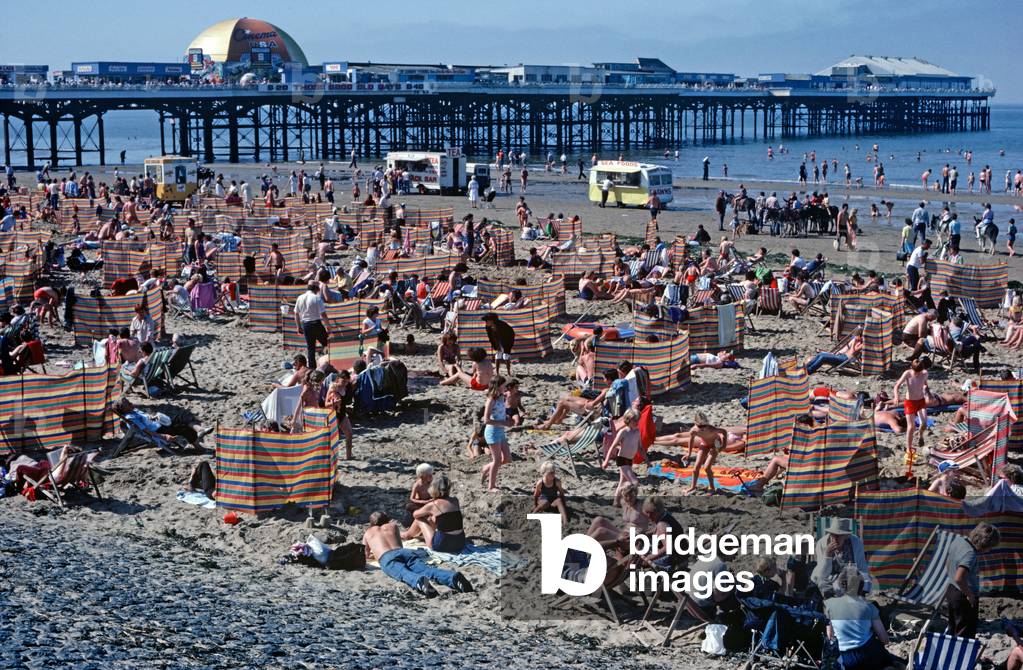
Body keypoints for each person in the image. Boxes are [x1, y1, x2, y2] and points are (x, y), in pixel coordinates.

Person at [363, 512, 473, 598]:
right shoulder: (392, 526)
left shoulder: (368, 532)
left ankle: (419, 582)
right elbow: (398, 545)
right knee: (427, 570)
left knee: (403, 573)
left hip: (387, 557)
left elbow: (365, 554)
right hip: (404, 552)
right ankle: (453, 577)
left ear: (371, 524)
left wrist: (375, 553)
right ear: (386, 520)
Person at [825, 566, 895, 670]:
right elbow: (884, 639)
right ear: (861, 585)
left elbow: (830, 635)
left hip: (846, 659)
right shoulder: (869, 607)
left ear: (841, 585)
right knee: (888, 662)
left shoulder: (830, 605)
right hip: (868, 655)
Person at [943, 523, 1001, 638]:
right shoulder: (970, 554)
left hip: (951, 590)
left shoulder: (959, 541)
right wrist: (970, 595)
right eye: (990, 547)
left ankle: (951, 654)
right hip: (962, 596)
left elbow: (948, 563)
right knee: (964, 633)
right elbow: (959, 578)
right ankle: (961, 656)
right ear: (985, 543)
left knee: (953, 628)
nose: (989, 550)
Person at [401, 473, 465, 554]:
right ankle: (411, 534)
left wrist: (426, 507)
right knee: (435, 518)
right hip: (460, 543)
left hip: (442, 545)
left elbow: (415, 515)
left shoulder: (434, 504)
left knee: (419, 519)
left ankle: (407, 535)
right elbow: (447, 518)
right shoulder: (455, 500)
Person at [811, 517, 872, 598]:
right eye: (832, 535)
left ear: (846, 535)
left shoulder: (856, 543)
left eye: (839, 536)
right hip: (829, 578)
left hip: (849, 577)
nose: (835, 538)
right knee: (822, 584)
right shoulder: (822, 543)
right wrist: (827, 556)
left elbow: (862, 567)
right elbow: (822, 575)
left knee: (866, 583)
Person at [602, 409, 646, 505]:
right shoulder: (623, 432)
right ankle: (633, 502)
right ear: (628, 420)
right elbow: (612, 447)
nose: (636, 422)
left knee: (622, 482)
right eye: (634, 420)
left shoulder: (637, 432)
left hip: (630, 460)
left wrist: (647, 460)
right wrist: (606, 461)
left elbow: (640, 448)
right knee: (634, 482)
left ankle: (616, 502)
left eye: (638, 420)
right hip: (622, 459)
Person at [893, 357, 932, 459]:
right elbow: (896, 385)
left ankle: (920, 435)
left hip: (921, 400)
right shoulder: (907, 373)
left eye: (919, 372)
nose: (917, 374)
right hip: (910, 402)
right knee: (911, 427)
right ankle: (908, 449)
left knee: (924, 422)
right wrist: (896, 396)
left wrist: (927, 392)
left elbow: (925, 385)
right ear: (912, 368)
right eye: (916, 372)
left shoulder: (924, 373)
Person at [480, 376, 511, 492]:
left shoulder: (502, 397)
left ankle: (487, 467)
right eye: (503, 385)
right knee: (497, 460)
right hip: (492, 431)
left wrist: (507, 419)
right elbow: (486, 420)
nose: (505, 387)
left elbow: (502, 412)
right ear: (498, 386)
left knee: (507, 458)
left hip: (501, 430)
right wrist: (502, 422)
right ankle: (491, 486)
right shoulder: (491, 400)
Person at [684, 411, 727, 494]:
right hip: (704, 444)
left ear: (707, 424)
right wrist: (688, 453)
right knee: (696, 467)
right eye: (700, 426)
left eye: (704, 426)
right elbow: (691, 440)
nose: (702, 428)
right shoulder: (693, 431)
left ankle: (712, 486)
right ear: (695, 424)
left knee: (707, 467)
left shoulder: (712, 429)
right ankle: (692, 486)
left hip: (715, 445)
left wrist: (723, 445)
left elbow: (724, 431)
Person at [294, 282, 329, 369]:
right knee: (327, 343)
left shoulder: (300, 297)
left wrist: (298, 326)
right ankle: (330, 362)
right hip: (316, 323)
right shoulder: (316, 298)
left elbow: (296, 314)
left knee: (311, 348)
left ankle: (312, 368)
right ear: (316, 289)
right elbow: (323, 314)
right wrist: (328, 326)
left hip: (306, 324)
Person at [324, 370, 355, 459]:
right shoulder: (333, 388)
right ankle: (330, 458)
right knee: (333, 438)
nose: (345, 383)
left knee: (349, 434)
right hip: (333, 415)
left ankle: (349, 457)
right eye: (343, 380)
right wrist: (335, 402)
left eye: (346, 381)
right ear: (338, 379)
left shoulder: (347, 387)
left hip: (342, 414)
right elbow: (326, 404)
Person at [483, 312, 515, 376]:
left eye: (487, 320)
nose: (486, 322)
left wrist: (506, 347)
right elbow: (490, 337)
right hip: (497, 341)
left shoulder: (502, 326)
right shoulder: (488, 327)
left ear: (492, 320)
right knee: (497, 355)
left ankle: (508, 372)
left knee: (506, 356)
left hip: (507, 340)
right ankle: (497, 372)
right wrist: (495, 345)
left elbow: (510, 335)